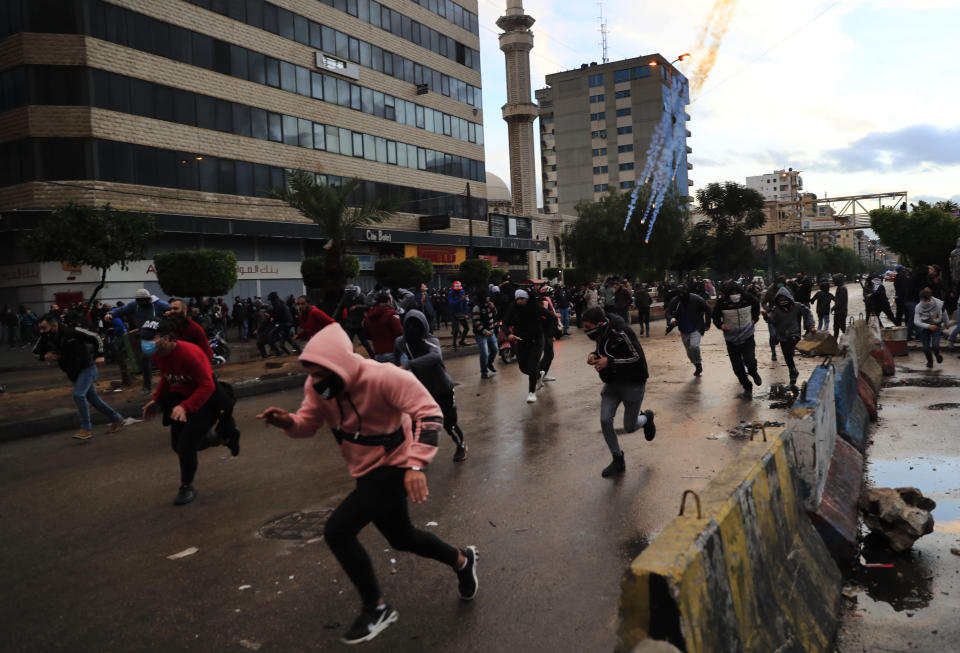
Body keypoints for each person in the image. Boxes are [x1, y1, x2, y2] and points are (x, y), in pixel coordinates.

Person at [256, 324, 479, 645]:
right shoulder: (318, 387)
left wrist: (417, 463)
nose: (316, 382)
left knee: (338, 530)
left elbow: (430, 414)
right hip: (364, 468)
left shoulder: (384, 376)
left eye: (321, 373)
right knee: (402, 538)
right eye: (311, 374)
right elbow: (308, 422)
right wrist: (288, 422)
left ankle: (377, 607)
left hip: (397, 464)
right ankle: (462, 559)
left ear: (340, 365)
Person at [139, 319, 240, 505]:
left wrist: (185, 407)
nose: (145, 343)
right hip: (181, 399)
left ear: (167, 338)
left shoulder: (190, 354)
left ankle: (186, 486)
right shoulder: (158, 355)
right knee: (177, 446)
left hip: (207, 399)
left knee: (186, 447)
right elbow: (167, 377)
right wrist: (156, 399)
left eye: (150, 339)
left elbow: (207, 385)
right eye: (142, 339)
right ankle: (223, 438)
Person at [581, 307, 656, 478]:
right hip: (612, 384)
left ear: (599, 324)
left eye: (587, 327)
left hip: (633, 384)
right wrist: (594, 355)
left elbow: (637, 358)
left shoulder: (623, 332)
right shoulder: (601, 332)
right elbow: (602, 350)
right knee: (605, 420)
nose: (585, 331)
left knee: (630, 427)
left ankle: (646, 418)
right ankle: (617, 459)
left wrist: (610, 361)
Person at [33, 312, 125, 441]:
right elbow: (36, 353)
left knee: (78, 395)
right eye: (40, 329)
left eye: (44, 328)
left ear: (54, 326)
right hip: (73, 374)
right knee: (94, 400)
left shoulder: (73, 331)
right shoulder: (45, 338)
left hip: (88, 368)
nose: (42, 331)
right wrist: (44, 356)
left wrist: (100, 355)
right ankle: (117, 418)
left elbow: (96, 337)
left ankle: (86, 429)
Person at [394, 310, 468, 462]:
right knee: (416, 424)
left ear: (424, 326)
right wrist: (397, 369)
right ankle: (417, 455)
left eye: (417, 325)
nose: (413, 328)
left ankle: (461, 445)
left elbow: (435, 356)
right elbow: (396, 356)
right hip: (421, 391)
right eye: (409, 325)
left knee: (449, 423)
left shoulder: (430, 340)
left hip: (443, 389)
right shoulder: (401, 342)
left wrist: (409, 364)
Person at [109, 289, 171, 394]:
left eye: (143, 301)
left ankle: (171, 384)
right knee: (145, 361)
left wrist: (171, 313)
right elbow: (122, 309)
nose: (141, 303)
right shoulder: (135, 305)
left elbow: (174, 310)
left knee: (166, 360)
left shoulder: (160, 304)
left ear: (149, 299)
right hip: (146, 337)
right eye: (139, 301)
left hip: (160, 337)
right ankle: (147, 387)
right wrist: (111, 314)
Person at [712, 282, 762, 397]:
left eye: (737, 292)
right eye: (732, 293)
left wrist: (754, 319)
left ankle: (754, 373)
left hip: (747, 336)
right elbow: (715, 316)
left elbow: (756, 306)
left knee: (750, 360)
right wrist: (720, 325)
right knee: (737, 368)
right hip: (731, 339)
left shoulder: (748, 299)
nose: (735, 295)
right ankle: (747, 387)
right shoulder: (722, 303)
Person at [503, 289, 554, 403]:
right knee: (523, 368)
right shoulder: (513, 307)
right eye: (517, 299)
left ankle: (531, 392)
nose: (519, 301)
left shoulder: (536, 307)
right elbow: (504, 322)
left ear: (527, 298)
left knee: (533, 365)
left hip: (536, 340)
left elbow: (552, 318)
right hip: (520, 340)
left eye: (522, 299)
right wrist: (508, 334)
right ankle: (538, 375)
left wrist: (550, 334)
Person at [761, 288, 816, 386]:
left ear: (789, 298)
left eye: (784, 299)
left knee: (790, 346)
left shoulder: (798, 306)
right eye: (780, 300)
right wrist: (766, 316)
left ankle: (792, 369)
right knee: (786, 355)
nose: (783, 301)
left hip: (794, 334)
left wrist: (810, 326)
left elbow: (808, 313)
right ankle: (792, 370)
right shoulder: (776, 310)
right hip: (782, 336)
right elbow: (771, 320)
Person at [665, 284, 711, 377]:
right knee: (689, 352)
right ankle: (697, 365)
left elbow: (708, 309)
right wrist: (671, 319)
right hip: (683, 329)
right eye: (679, 292)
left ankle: (699, 363)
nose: (681, 294)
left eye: (683, 292)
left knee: (694, 346)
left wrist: (707, 324)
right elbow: (668, 312)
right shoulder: (675, 301)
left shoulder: (696, 299)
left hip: (696, 328)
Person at [335, 285, 375, 357]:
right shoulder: (346, 297)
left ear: (353, 292)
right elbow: (339, 307)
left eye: (349, 293)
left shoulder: (361, 296)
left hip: (360, 323)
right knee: (347, 341)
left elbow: (368, 307)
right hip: (349, 323)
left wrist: (357, 307)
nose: (348, 295)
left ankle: (373, 356)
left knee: (364, 342)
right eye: (347, 293)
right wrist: (333, 318)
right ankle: (349, 357)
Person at [914, 289, 949, 368]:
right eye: (921, 300)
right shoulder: (918, 307)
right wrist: (928, 326)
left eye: (923, 300)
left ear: (929, 299)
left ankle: (938, 355)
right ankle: (930, 361)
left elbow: (944, 313)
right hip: (925, 327)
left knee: (935, 346)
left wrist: (947, 323)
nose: (922, 302)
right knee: (926, 348)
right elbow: (916, 321)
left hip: (936, 326)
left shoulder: (939, 304)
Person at [363, 292, 403, 363]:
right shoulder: (391, 313)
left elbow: (367, 335)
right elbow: (399, 332)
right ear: (388, 301)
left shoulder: (369, 316)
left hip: (378, 353)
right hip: (393, 351)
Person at [471, 292, 499, 379]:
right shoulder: (477, 308)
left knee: (495, 349)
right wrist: (484, 331)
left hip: (491, 332)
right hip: (481, 335)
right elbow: (476, 322)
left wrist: (493, 308)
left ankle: (489, 363)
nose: (488, 299)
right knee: (484, 353)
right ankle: (484, 372)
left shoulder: (490, 305)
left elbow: (495, 314)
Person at [447, 281, 470, 349]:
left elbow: (465, 304)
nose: (458, 291)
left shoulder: (462, 292)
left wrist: (466, 313)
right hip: (453, 313)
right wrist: (460, 299)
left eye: (459, 290)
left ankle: (462, 341)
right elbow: (451, 303)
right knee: (456, 329)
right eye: (456, 290)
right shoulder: (450, 293)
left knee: (466, 328)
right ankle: (454, 343)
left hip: (461, 313)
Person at [832, 275, 848, 339]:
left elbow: (840, 301)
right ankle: (834, 343)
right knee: (836, 328)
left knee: (842, 327)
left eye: (835, 280)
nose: (834, 282)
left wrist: (834, 307)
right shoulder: (840, 288)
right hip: (839, 311)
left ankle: (848, 341)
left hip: (841, 312)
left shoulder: (842, 288)